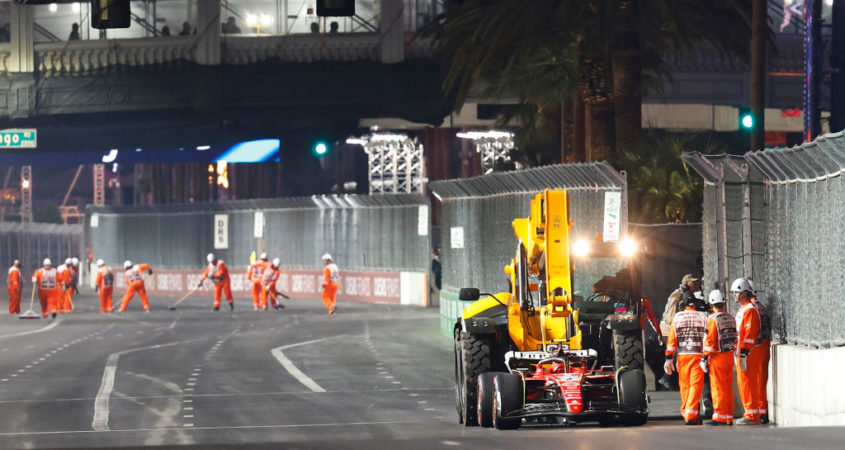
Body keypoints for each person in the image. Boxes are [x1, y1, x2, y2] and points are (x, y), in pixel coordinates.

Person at [664, 292, 708, 425]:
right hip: (697, 356)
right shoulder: (703, 317)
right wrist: (707, 356)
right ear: (695, 304)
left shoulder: (677, 317)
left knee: (684, 385)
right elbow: (708, 338)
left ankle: (686, 412)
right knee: (695, 385)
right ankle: (690, 414)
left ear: (682, 304)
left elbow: (672, 340)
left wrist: (668, 358)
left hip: (682, 356)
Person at [701, 289, 737, 425]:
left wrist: (704, 357)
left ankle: (720, 417)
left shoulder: (712, 320)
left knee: (717, 387)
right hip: (729, 356)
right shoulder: (730, 317)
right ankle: (728, 416)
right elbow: (735, 337)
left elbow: (710, 342)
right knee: (728, 387)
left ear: (711, 304)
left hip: (717, 358)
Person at [731, 277, 762, 425]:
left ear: (743, 293)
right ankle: (750, 412)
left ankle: (752, 415)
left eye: (736, 293)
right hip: (742, 352)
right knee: (744, 383)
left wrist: (743, 352)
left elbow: (750, 333)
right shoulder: (743, 310)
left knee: (748, 383)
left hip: (747, 353)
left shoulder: (749, 310)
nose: (734, 296)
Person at [748, 279, 771, 424]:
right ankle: (762, 411)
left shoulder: (751, 309)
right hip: (765, 344)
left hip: (757, 346)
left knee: (755, 380)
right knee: (761, 379)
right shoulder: (761, 307)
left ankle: (759, 411)